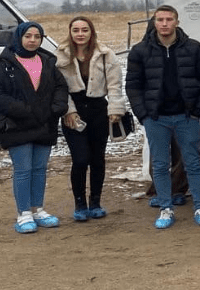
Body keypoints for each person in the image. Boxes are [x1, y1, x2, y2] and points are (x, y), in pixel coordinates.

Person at [124, 6, 200, 230]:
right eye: (160, 20)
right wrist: (143, 114)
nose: (164, 24)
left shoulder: (193, 48)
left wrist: (197, 111)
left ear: (177, 21)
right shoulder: (140, 51)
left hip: (186, 116)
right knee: (160, 164)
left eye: (169, 19)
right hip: (156, 118)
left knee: (192, 163)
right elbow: (133, 85)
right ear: (154, 22)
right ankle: (166, 208)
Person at [54, 16, 125, 221]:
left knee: (97, 159)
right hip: (73, 111)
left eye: (84, 30)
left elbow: (114, 84)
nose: (80, 34)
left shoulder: (105, 54)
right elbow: (59, 88)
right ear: (70, 32)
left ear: (91, 32)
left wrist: (115, 108)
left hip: (98, 110)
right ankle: (79, 204)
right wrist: (68, 111)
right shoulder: (60, 56)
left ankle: (95, 202)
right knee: (80, 159)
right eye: (76, 30)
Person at [1, 22, 69, 233]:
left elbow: (60, 86)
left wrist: (57, 107)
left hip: (44, 122)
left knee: (39, 169)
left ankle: (38, 209)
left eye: (37, 36)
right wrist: (22, 109)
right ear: (19, 37)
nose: (32, 40)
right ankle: (24, 214)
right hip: (17, 124)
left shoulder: (47, 61)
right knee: (23, 170)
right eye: (28, 36)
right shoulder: (5, 62)